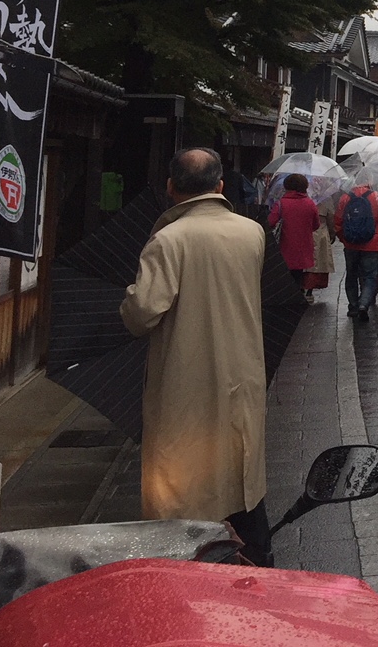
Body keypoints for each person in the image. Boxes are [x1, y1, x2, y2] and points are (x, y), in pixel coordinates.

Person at [121, 148, 271, 565]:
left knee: (182, 480)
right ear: (220, 185)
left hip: (186, 376)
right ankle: (253, 555)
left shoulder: (168, 240)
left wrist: (128, 299)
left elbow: (143, 313)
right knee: (239, 468)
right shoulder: (251, 232)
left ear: (171, 188)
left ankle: (190, 562)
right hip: (242, 368)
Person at [335, 181, 378, 322]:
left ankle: (353, 306)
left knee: (351, 275)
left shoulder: (345, 198)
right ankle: (364, 304)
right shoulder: (377, 197)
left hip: (351, 244)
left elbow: (338, 221)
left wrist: (344, 239)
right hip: (371, 244)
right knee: (369, 276)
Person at [267, 173, 320, 301]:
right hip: (303, 246)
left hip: (284, 245)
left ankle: (285, 296)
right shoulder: (310, 204)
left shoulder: (281, 204)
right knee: (298, 273)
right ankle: (297, 295)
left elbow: (270, 222)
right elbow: (316, 225)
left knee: (284, 273)